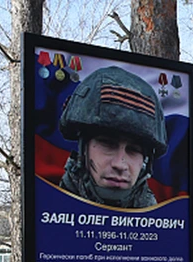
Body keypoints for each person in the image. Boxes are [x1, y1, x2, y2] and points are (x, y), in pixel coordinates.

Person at [58, 66, 167, 209]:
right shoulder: (46, 212)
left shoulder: (162, 227)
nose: (119, 165)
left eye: (133, 150)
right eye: (108, 144)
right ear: (84, 149)